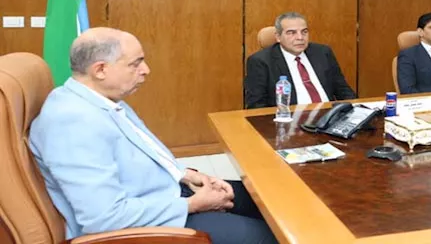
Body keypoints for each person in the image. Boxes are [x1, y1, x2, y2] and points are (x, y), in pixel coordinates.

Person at [29, 28, 276, 244]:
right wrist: (193, 204)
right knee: (273, 236)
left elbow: (145, 152)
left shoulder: (102, 99)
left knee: (268, 199)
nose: (145, 70)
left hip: (165, 194)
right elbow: (104, 218)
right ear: (101, 69)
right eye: (135, 64)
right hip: (148, 224)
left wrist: (185, 175)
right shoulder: (72, 123)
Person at [244, 12, 355, 109]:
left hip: (329, 117)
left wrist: (357, 111)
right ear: (278, 37)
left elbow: (343, 90)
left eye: (304, 32)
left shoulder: (322, 52)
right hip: (290, 120)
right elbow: (256, 107)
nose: (300, 37)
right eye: (291, 33)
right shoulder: (260, 62)